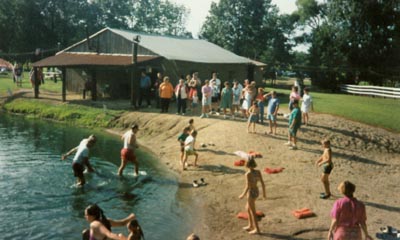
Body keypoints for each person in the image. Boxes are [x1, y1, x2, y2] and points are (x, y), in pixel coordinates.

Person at [238, 157, 266, 235]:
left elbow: (247, 186)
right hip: (256, 191)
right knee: (247, 208)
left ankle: (257, 229)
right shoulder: (258, 172)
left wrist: (242, 195)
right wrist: (264, 194)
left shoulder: (248, 174)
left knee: (253, 212)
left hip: (251, 193)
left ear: (247, 165)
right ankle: (250, 225)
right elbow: (263, 183)